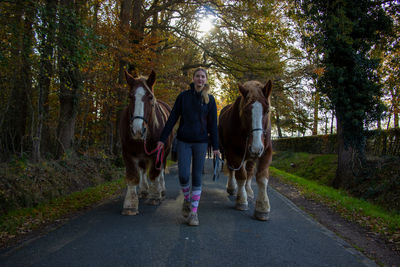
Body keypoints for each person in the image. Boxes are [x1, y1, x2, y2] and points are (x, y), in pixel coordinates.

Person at [157, 68, 220, 226]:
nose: (200, 79)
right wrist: (162, 139)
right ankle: (186, 199)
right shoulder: (183, 97)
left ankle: (193, 213)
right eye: (197, 76)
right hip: (184, 141)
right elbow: (172, 119)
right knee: (184, 175)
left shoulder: (210, 100)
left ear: (206, 80)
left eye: (203, 77)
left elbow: (213, 126)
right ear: (193, 79)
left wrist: (217, 147)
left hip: (201, 142)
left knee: (197, 176)